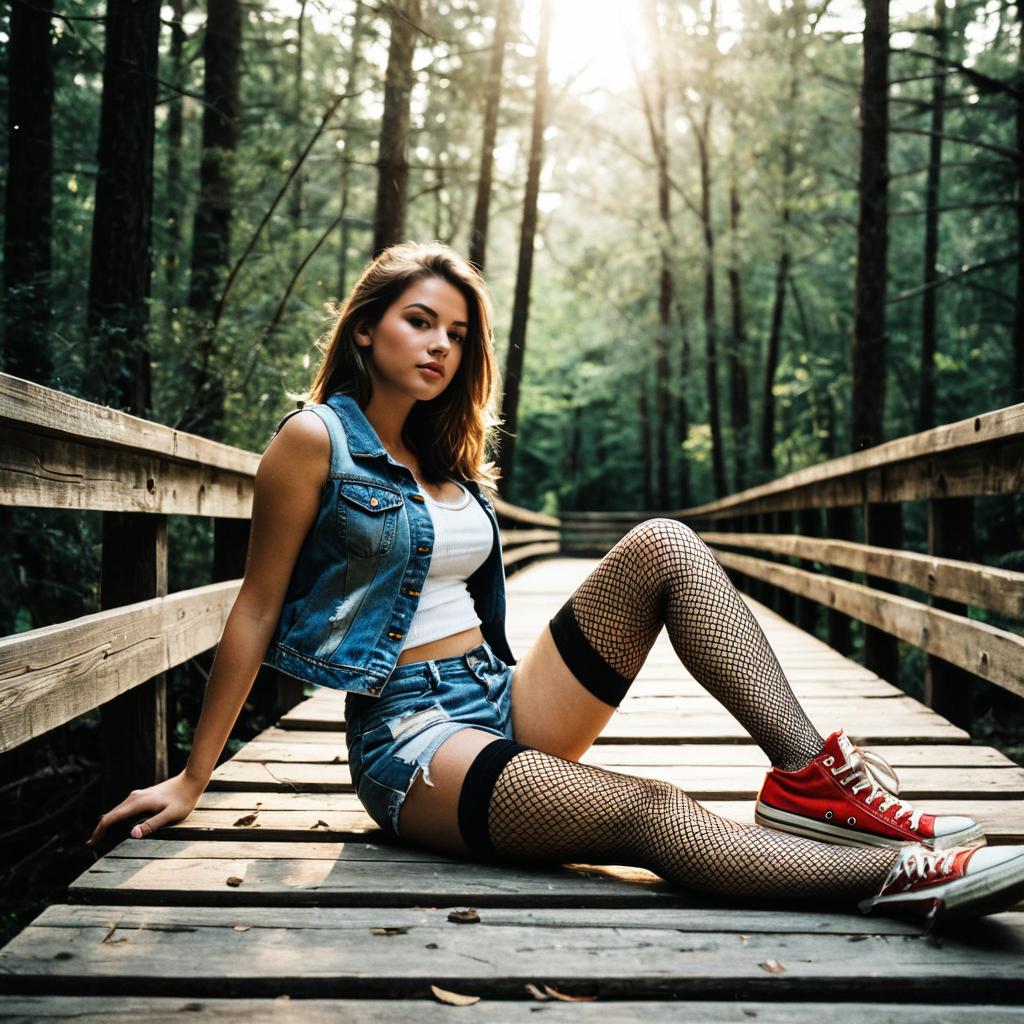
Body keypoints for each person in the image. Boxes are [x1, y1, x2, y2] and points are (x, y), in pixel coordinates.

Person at [86, 241, 1024, 923]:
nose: (440, 345)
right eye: (419, 320)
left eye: (456, 332)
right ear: (366, 329)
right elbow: (254, 608)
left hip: (498, 697)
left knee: (662, 542)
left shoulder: (441, 458)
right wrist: (195, 778)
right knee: (653, 809)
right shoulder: (313, 440)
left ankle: (814, 783)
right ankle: (901, 880)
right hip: (413, 743)